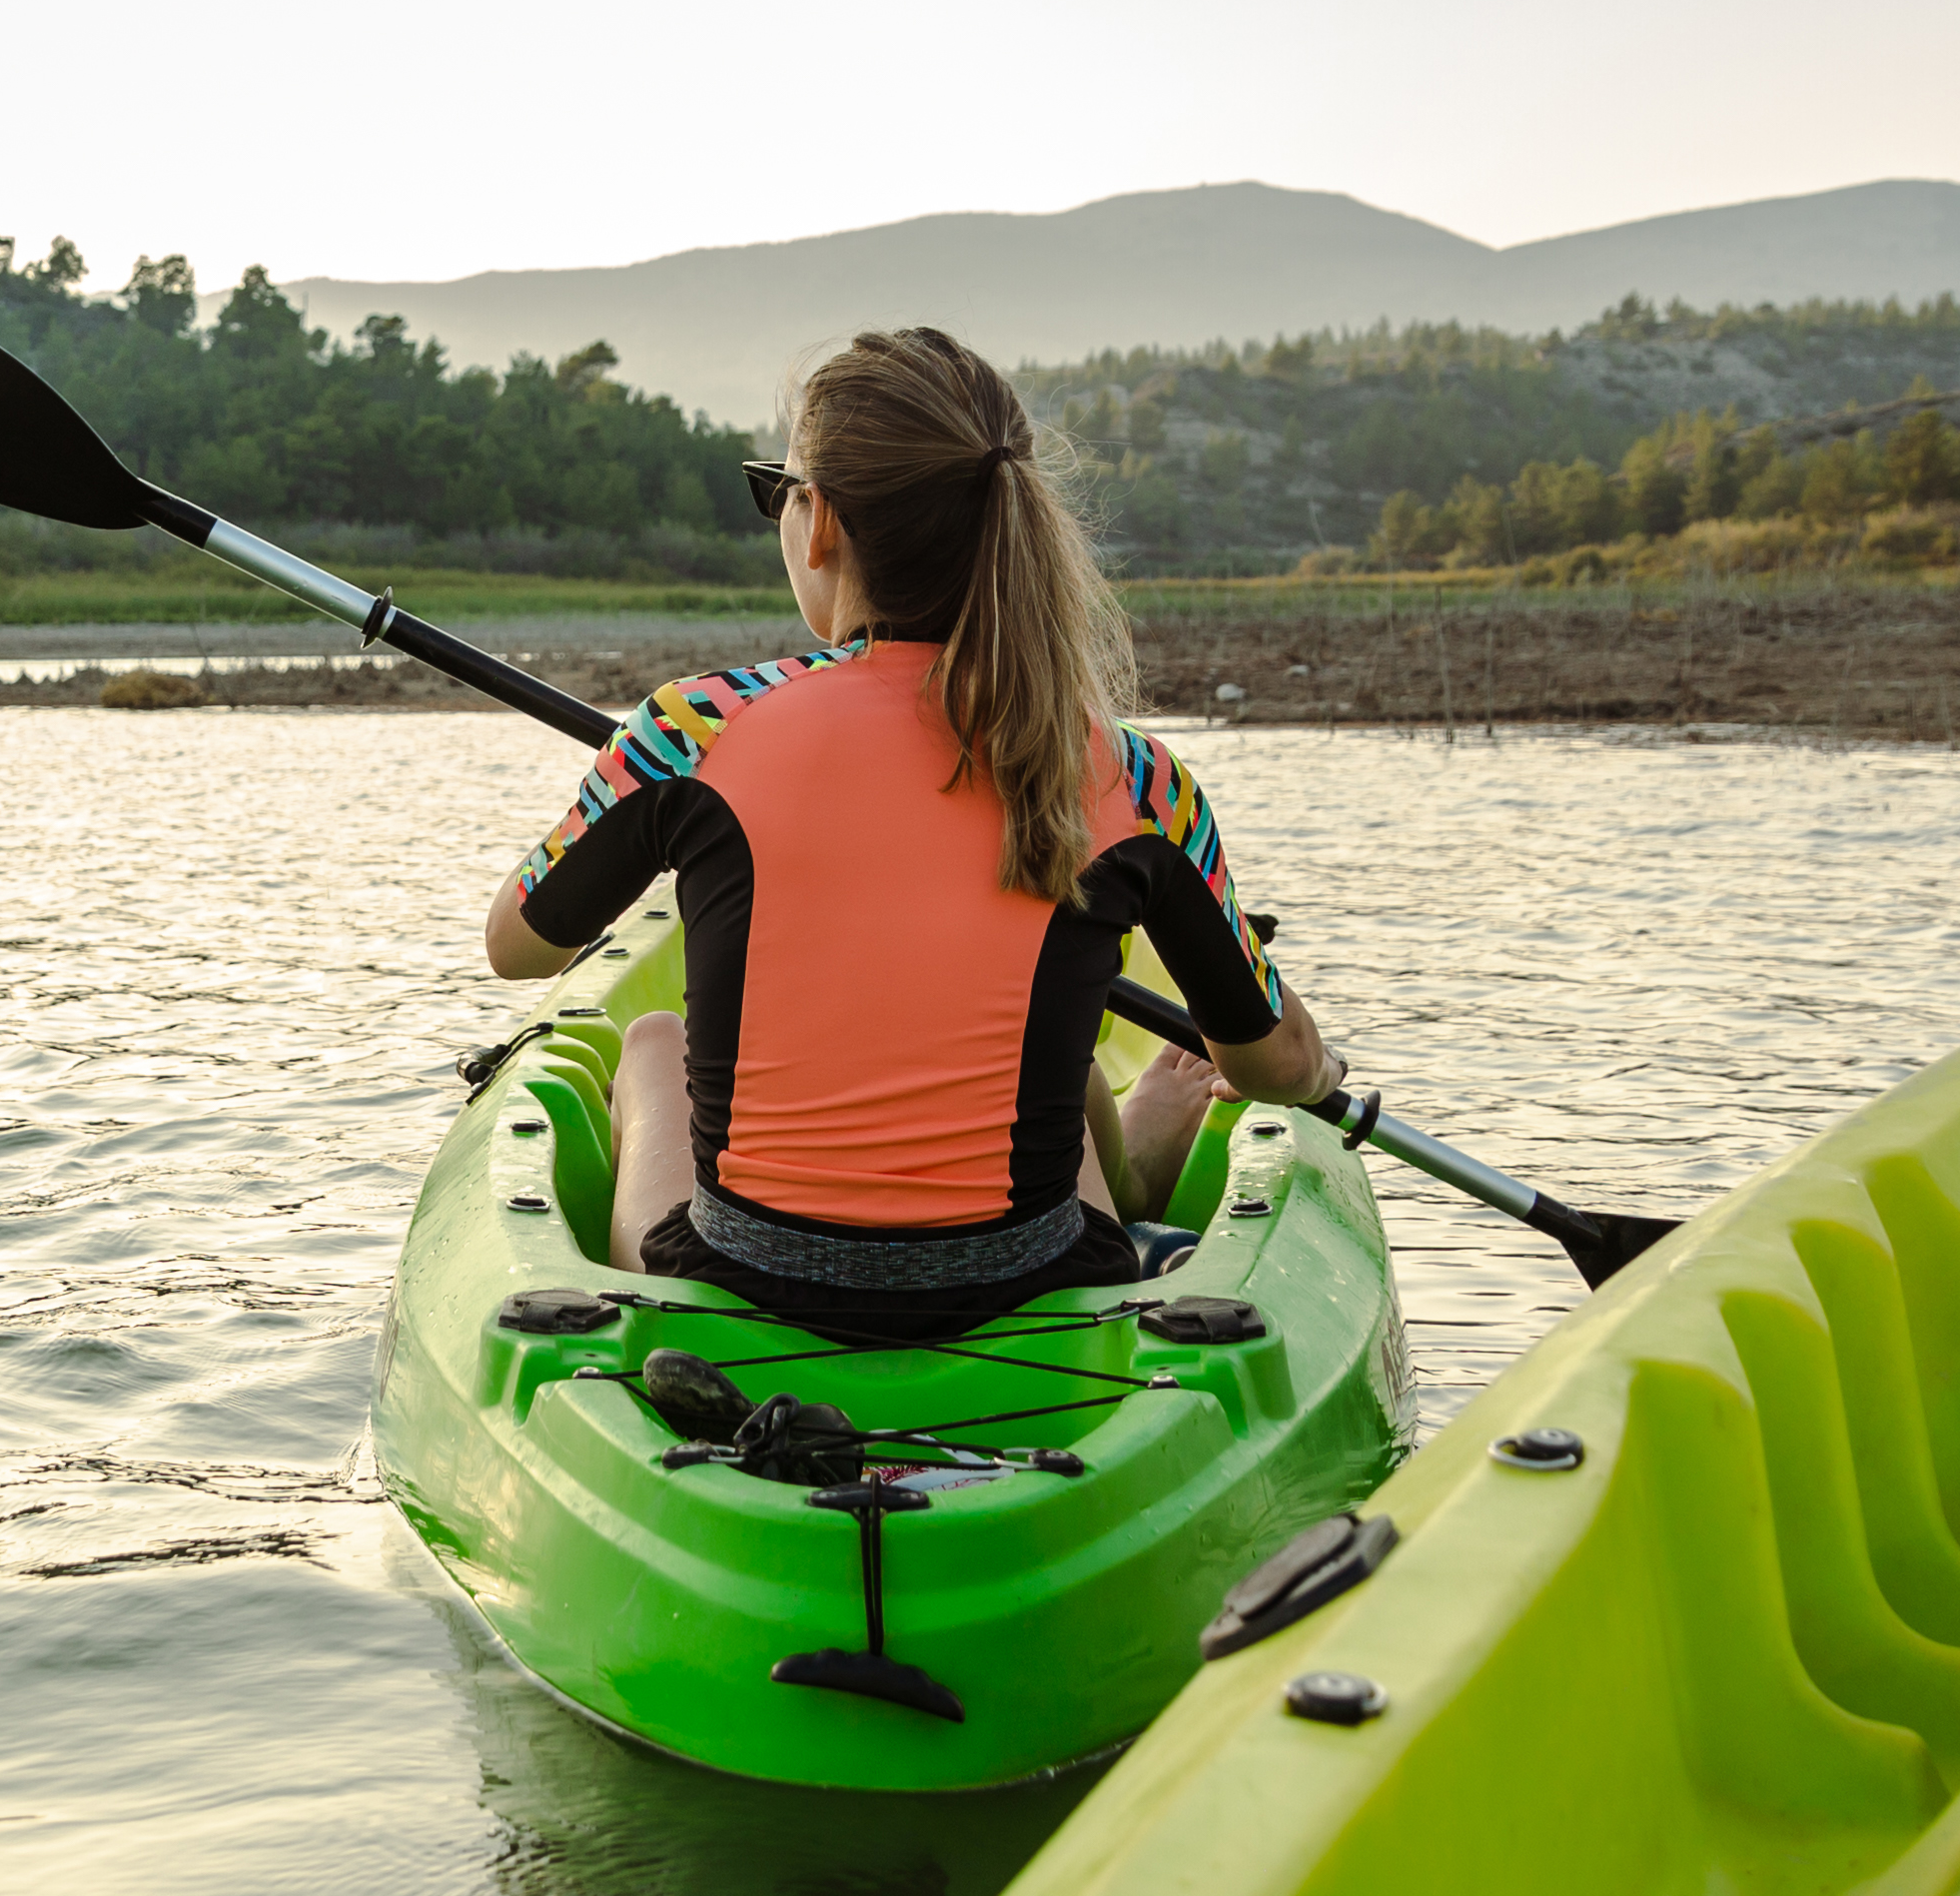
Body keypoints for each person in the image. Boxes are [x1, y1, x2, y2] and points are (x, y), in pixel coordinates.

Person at [481, 323, 1340, 1345]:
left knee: (659, 1039)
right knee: (1044, 1061)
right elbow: (1274, 1068)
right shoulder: (1136, 777)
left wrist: (632, 778)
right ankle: (1133, 1178)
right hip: (1033, 1281)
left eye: (779, 492)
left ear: (824, 523)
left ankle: (1123, 1171)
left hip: (748, 1277)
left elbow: (517, 947)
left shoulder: (693, 730)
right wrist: (1322, 1076)